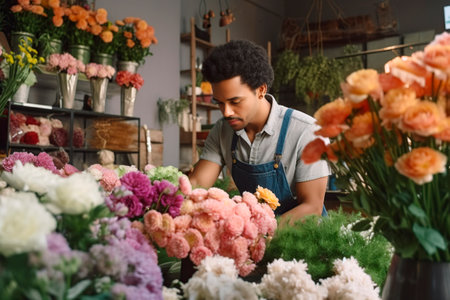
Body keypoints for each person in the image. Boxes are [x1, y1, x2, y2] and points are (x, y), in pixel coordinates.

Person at [189, 39, 330, 223]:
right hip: (256, 238)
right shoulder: (223, 131)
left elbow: (312, 207)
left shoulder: (307, 131)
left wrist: (263, 236)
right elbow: (196, 185)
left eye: (235, 102)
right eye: (219, 103)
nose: (226, 112)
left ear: (261, 90)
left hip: (304, 239)